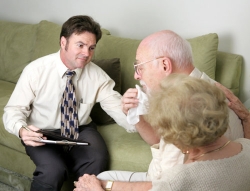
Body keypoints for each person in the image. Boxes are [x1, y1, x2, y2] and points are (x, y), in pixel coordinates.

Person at [74, 29, 248, 190]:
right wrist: (137, 116)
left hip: (162, 183)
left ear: (165, 65)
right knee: (102, 178)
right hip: (160, 177)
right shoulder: (199, 92)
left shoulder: (188, 109)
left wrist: (102, 187)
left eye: (139, 66)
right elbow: (159, 141)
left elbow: (168, 185)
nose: (136, 75)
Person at [2, 15, 134, 191]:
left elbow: (117, 107)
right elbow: (13, 110)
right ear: (63, 42)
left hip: (81, 129)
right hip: (42, 131)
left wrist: (131, 112)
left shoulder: (98, 76)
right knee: (53, 170)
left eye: (91, 47)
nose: (86, 53)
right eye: (80, 45)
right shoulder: (35, 71)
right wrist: (21, 129)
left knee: (97, 160)